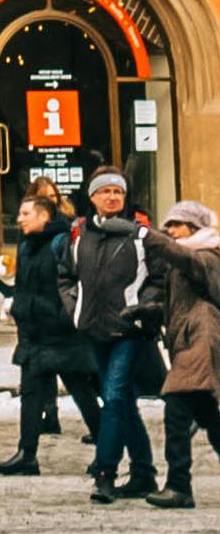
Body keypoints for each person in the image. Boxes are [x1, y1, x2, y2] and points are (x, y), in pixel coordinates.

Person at [71, 170, 165, 506]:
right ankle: (143, 472)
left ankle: (105, 473)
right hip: (95, 328)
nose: (112, 197)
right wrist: (75, 306)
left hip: (129, 328)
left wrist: (141, 308)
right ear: (93, 196)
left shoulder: (141, 235)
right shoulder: (81, 234)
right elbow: (67, 275)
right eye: (105, 191)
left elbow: (158, 277)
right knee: (122, 401)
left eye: (118, 192)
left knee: (113, 397)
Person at [0, 186, 87, 473]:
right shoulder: (26, 245)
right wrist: (18, 308)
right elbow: (24, 286)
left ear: (44, 215)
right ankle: (27, 454)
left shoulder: (60, 243)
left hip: (59, 332)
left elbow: (73, 283)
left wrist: (64, 317)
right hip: (34, 331)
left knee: (80, 389)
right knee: (31, 393)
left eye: (26, 214)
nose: (19, 219)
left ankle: (106, 445)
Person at [155, 203, 220, 510]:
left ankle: (178, 486)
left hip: (201, 341)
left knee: (176, 410)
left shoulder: (206, 256)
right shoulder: (186, 259)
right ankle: (178, 486)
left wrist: (148, 237)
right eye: (168, 225)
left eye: (177, 225)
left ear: (195, 228)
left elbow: (188, 263)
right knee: (209, 415)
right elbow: (178, 303)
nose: (170, 231)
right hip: (190, 340)